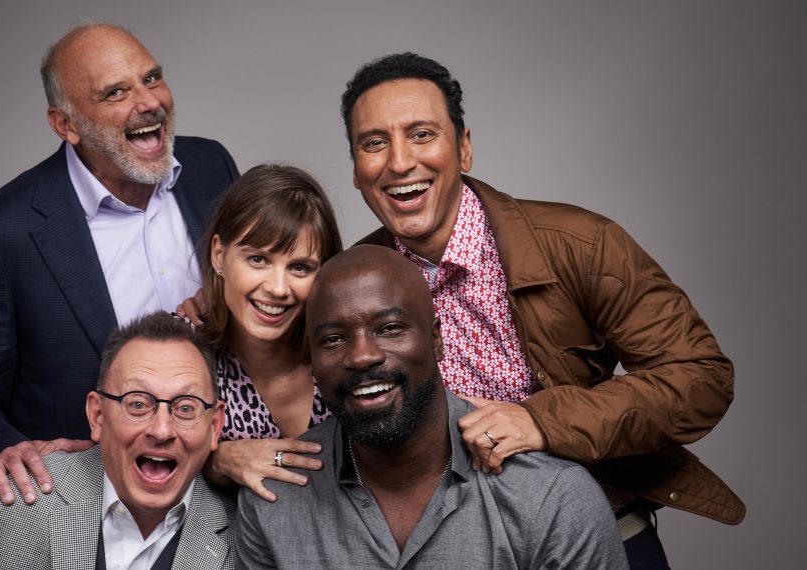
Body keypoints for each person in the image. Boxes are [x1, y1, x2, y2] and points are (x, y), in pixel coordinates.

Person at [342, 52, 743, 566]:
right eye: (374, 143)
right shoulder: (350, 284)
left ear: (463, 148)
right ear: (356, 168)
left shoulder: (581, 243)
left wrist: (542, 421)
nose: (399, 162)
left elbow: (701, 377)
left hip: (602, 541)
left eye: (422, 134)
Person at [0, 23, 239, 508]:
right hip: (92, 506)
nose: (149, 102)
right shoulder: (0, 236)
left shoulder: (211, 166)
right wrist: (5, 450)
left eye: (152, 79)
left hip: (229, 488)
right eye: (115, 92)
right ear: (65, 124)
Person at [235, 245, 626, 568]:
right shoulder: (273, 503)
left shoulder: (551, 500)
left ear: (436, 339)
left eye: (389, 329)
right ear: (312, 359)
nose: (362, 356)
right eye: (334, 339)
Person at [0, 312, 235, 569]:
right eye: (137, 404)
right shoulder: (10, 511)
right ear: (97, 416)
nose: (161, 430)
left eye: (185, 408)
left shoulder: (246, 540)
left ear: (214, 426)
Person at [192, 164, 344, 502]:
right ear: (219, 255)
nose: (277, 288)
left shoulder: (346, 352)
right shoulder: (182, 354)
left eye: (300, 267)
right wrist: (218, 460)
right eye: (258, 259)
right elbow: (143, 448)